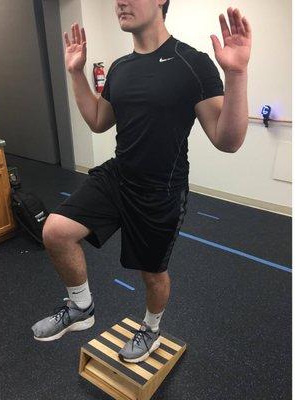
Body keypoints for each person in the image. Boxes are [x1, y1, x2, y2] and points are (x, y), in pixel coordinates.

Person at [31, 0, 251, 364]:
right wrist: (75, 73)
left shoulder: (192, 63)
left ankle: (151, 327)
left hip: (161, 190)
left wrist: (237, 75)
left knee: (152, 275)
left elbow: (227, 141)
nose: (119, 2)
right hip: (120, 176)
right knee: (55, 231)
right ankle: (81, 307)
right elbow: (99, 120)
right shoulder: (120, 68)